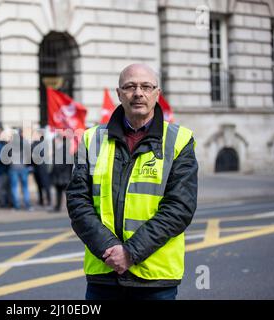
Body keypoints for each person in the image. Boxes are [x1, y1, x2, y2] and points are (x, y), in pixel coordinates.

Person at [66, 64, 198, 300]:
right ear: (119, 93)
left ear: (157, 93)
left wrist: (130, 253)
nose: (138, 93)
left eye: (146, 87)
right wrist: (111, 250)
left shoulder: (180, 140)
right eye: (130, 87)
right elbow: (77, 201)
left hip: (155, 280)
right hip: (104, 275)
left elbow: (180, 208)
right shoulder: (91, 139)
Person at [7, 129, 33, 211]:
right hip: (23, 167)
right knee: (25, 187)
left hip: (14, 167)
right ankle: (27, 205)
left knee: (15, 187)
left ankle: (16, 206)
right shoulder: (25, 143)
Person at [51, 133, 73, 212]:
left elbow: (68, 162)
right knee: (58, 192)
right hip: (58, 175)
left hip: (64, 175)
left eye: (56, 140)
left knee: (67, 193)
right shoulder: (56, 149)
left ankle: (71, 207)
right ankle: (57, 206)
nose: (54, 141)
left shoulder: (64, 149)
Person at [31, 129, 52, 209]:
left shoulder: (43, 143)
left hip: (43, 167)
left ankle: (49, 200)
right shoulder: (33, 144)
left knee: (46, 184)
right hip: (36, 167)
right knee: (38, 184)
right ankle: (41, 200)